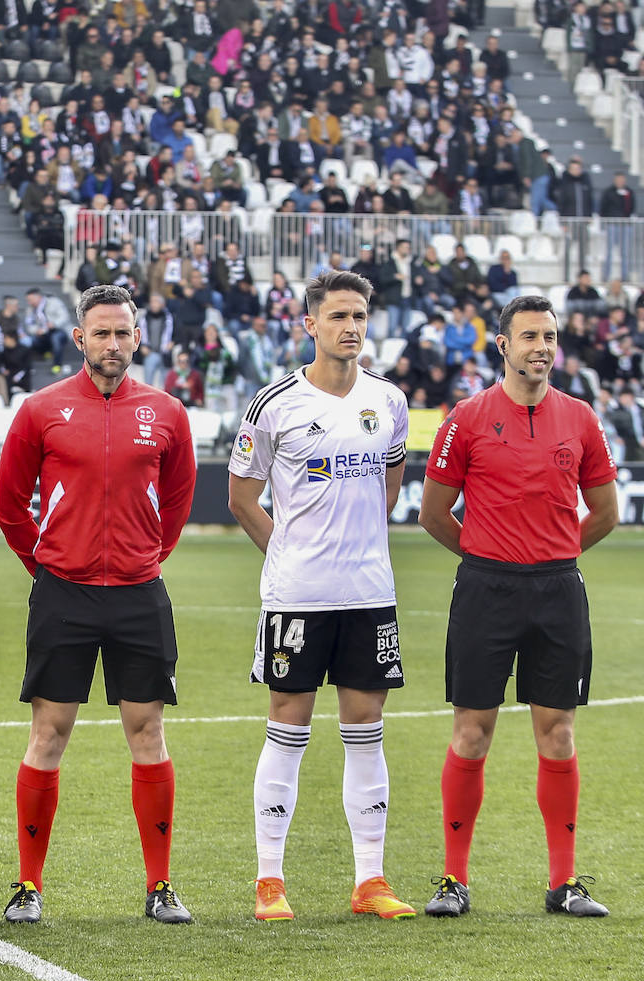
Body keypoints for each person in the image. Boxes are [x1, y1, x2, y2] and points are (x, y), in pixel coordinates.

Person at [0, 284, 197, 925]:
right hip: (64, 596)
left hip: (139, 595)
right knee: (48, 734)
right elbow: (9, 506)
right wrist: (49, 568)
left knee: (148, 731)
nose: (113, 344)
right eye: (100, 332)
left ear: (139, 338)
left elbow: (179, 501)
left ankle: (159, 886)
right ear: (79, 338)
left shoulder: (167, 412)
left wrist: (142, 560)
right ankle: (29, 887)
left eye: (123, 333)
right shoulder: (41, 410)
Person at [418, 295, 620, 919]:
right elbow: (432, 513)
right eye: (529, 335)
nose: (542, 346)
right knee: (472, 732)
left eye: (550, 336)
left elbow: (605, 512)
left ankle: (564, 883)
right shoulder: (467, 418)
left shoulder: (581, 418)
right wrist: (487, 556)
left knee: (557, 733)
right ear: (502, 344)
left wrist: (554, 554)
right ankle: (454, 879)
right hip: (486, 590)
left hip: (559, 590)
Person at [227, 270, 415, 923]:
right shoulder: (273, 403)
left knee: (367, 730)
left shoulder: (389, 401)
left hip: (368, 594)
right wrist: (288, 554)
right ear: (310, 324)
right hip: (297, 596)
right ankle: (270, 881)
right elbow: (242, 498)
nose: (352, 326)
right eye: (338, 316)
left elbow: (390, 485)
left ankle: (370, 880)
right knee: (288, 725)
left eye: (360, 314)